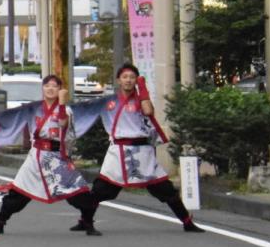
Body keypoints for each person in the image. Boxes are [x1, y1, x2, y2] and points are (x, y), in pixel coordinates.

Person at [72, 64, 205, 234]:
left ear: (136, 80)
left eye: (132, 77)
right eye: (125, 77)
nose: (128, 80)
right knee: (100, 190)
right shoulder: (109, 101)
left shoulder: (142, 99)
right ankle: (86, 222)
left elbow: (148, 111)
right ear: (119, 80)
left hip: (142, 152)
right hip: (118, 152)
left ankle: (187, 222)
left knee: (165, 189)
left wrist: (142, 88)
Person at [0, 74, 98, 235]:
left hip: (57, 157)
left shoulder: (66, 109)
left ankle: (88, 224)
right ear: (42, 89)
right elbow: (10, 116)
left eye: (55, 86)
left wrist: (63, 103)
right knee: (18, 192)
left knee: (79, 191)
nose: (50, 89)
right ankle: (0, 223)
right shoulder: (33, 108)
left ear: (60, 89)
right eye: (47, 85)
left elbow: (63, 123)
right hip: (36, 156)